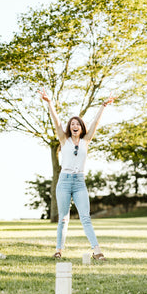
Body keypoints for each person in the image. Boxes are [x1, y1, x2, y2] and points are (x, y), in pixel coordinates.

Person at [39, 88, 115, 261]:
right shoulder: (64, 140)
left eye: (78, 124)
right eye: (72, 124)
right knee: (63, 219)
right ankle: (58, 250)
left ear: (81, 128)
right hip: (64, 181)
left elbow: (95, 123)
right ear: (69, 127)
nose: (75, 126)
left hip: (79, 182)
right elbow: (57, 123)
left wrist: (103, 106)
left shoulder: (85, 141)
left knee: (85, 218)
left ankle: (97, 251)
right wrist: (50, 103)